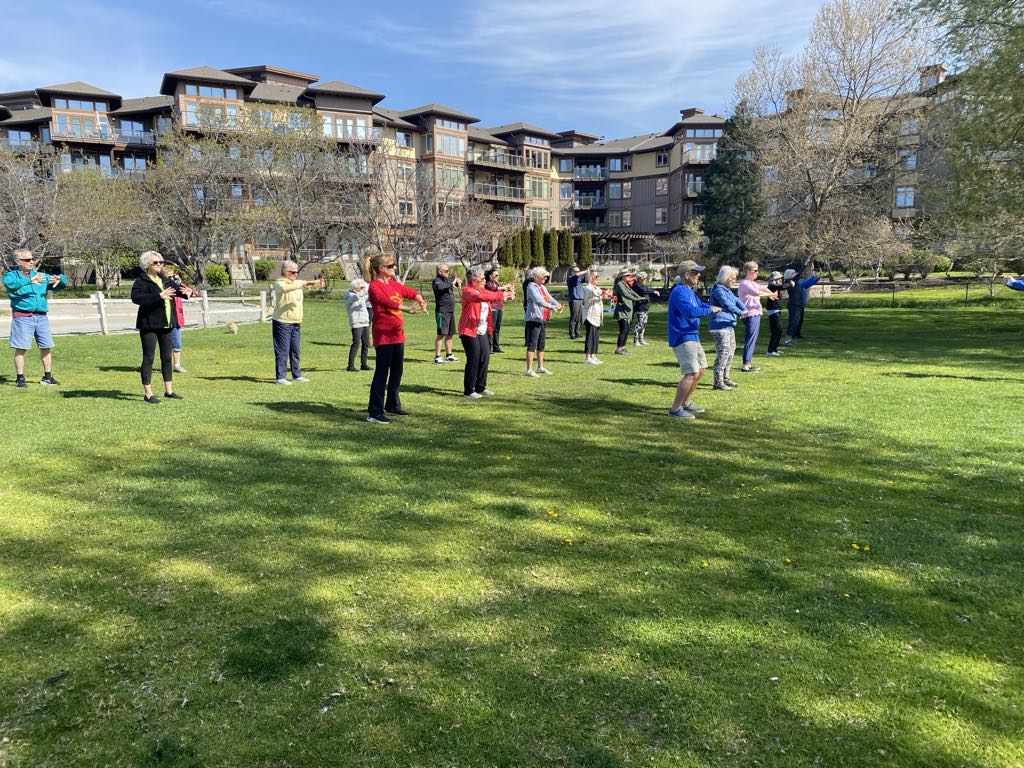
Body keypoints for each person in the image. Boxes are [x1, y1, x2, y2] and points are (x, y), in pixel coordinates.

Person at [366, 252, 427, 424]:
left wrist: (418, 297)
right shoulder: (374, 286)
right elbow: (385, 302)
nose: (394, 268)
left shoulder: (394, 284)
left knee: (397, 371)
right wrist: (406, 309)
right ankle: (374, 412)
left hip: (397, 335)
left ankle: (392, 405)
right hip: (384, 335)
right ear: (380, 269)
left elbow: (408, 291)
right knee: (381, 373)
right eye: (391, 266)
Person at [4, 248, 66, 388]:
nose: (31, 262)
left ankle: (47, 377)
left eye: (32, 259)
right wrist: (30, 281)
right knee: (21, 348)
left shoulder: (40, 275)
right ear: (18, 261)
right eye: (27, 260)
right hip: (22, 317)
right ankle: (20, 378)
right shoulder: (11, 276)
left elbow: (62, 282)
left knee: (46, 346)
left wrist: (60, 279)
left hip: (41, 317)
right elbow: (11, 286)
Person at [667, 260, 721, 420]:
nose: (699, 275)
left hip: (692, 334)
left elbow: (700, 305)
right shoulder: (679, 292)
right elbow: (690, 311)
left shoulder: (688, 291)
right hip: (682, 336)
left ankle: (686, 403)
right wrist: (710, 310)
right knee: (691, 372)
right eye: (695, 272)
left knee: (702, 369)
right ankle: (675, 409)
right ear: (686, 274)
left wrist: (712, 307)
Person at [131, 251, 183, 404]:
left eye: (160, 262)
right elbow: (136, 298)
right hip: (149, 325)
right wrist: (159, 296)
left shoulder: (165, 279)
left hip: (166, 324)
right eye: (155, 262)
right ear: (147, 264)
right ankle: (148, 393)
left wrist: (188, 293)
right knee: (149, 358)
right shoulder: (141, 281)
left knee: (166, 358)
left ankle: (169, 391)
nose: (159, 264)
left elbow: (177, 291)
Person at [457, 266, 515, 399]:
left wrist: (505, 294)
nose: (484, 280)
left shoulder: (482, 290)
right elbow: (480, 297)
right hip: (469, 330)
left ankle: (480, 387)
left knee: (485, 357)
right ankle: (469, 391)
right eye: (482, 278)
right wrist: (501, 295)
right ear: (473, 279)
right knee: (474, 359)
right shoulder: (467, 291)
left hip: (482, 330)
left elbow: (489, 294)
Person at [271, 260, 322, 384]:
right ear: (285, 272)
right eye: (293, 272)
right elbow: (285, 289)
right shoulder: (279, 283)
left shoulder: (297, 282)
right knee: (282, 351)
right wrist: (301, 284)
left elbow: (310, 284)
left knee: (295, 350)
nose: (295, 274)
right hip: (282, 322)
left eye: (297, 272)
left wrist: (319, 283)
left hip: (296, 322)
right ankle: (280, 377)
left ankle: (296, 375)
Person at [708, 266, 749, 391]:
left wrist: (745, 309)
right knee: (723, 353)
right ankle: (718, 382)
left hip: (729, 325)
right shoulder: (718, 290)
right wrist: (740, 313)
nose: (734, 280)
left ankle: (726, 378)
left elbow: (736, 300)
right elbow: (727, 304)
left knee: (731, 351)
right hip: (719, 326)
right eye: (732, 278)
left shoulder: (727, 290)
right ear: (726, 278)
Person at [737, 261, 778, 372]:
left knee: (752, 339)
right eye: (755, 270)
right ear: (748, 271)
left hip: (755, 313)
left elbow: (762, 288)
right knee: (750, 339)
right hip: (750, 314)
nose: (757, 272)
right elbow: (756, 293)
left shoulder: (752, 283)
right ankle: (745, 364)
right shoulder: (745, 284)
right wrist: (770, 295)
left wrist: (771, 294)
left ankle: (748, 363)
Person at [524, 266, 562, 377]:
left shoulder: (542, 287)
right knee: (532, 344)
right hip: (534, 318)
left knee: (541, 344)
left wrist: (557, 304)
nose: (545, 279)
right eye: (544, 277)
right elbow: (538, 300)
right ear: (537, 277)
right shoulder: (531, 286)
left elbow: (549, 297)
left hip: (542, 318)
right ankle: (529, 370)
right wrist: (552, 307)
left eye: (546, 277)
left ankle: (540, 367)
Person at [161, 265, 194, 374]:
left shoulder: (178, 285)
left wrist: (190, 291)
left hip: (176, 318)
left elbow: (189, 293)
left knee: (177, 343)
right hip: (165, 319)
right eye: (169, 277)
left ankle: (177, 365)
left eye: (174, 277)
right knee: (164, 344)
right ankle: (164, 365)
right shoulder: (163, 286)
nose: (172, 279)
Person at [432, 263, 461, 364]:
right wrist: (452, 282)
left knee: (450, 333)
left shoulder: (448, 279)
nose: (448, 273)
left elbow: (455, 280)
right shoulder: (437, 281)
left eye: (448, 271)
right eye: (446, 271)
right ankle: (437, 357)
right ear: (440, 272)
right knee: (441, 334)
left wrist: (457, 280)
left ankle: (449, 355)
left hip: (450, 311)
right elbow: (440, 288)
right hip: (442, 311)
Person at [612, 269, 644, 354]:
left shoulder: (625, 284)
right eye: (627, 275)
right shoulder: (620, 284)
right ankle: (619, 348)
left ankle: (623, 347)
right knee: (623, 330)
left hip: (628, 310)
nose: (629, 277)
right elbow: (626, 295)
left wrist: (640, 297)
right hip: (622, 311)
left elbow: (632, 292)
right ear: (622, 276)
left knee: (626, 330)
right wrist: (637, 299)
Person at [344, 278, 372, 372]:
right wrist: (367, 290)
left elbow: (365, 297)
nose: (363, 287)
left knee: (365, 344)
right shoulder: (349, 295)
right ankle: (350, 366)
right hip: (356, 322)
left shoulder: (361, 294)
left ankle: (363, 364)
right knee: (356, 343)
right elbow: (356, 298)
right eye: (361, 286)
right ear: (355, 287)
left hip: (364, 321)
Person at [581, 269, 605, 364]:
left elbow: (600, 293)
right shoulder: (588, 288)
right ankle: (587, 357)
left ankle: (593, 355)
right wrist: (604, 293)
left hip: (596, 315)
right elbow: (596, 293)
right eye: (595, 276)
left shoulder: (595, 288)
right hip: (589, 315)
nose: (597, 278)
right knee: (590, 336)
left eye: (597, 276)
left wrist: (605, 293)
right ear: (590, 278)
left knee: (595, 336)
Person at [632, 271, 660, 345]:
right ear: (641, 278)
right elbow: (644, 291)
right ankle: (635, 341)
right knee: (639, 324)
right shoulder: (637, 286)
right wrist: (654, 291)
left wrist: (653, 292)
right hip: (640, 308)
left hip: (645, 308)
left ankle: (641, 340)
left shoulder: (644, 285)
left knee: (644, 324)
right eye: (645, 278)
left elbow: (647, 290)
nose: (646, 279)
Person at [765, 271, 788, 357]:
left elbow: (781, 286)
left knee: (779, 330)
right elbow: (781, 286)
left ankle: (774, 349)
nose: (781, 280)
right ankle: (770, 350)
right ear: (775, 279)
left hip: (777, 310)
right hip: (773, 311)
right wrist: (789, 284)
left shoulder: (775, 286)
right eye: (779, 278)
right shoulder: (771, 286)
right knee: (776, 330)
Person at [484, 266, 505, 352]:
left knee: (497, 328)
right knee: (491, 328)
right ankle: (489, 347)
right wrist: (503, 288)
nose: (497, 277)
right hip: (492, 308)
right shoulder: (488, 284)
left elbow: (499, 292)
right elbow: (493, 289)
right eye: (495, 275)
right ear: (490, 276)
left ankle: (496, 347)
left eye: (498, 275)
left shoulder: (497, 284)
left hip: (499, 307)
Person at [793, 271, 821, 338]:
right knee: (796, 320)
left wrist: (818, 278)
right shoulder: (798, 283)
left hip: (801, 304)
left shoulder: (800, 282)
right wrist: (813, 277)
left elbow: (809, 284)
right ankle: (793, 333)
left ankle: (797, 333)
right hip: (797, 304)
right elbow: (807, 283)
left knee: (800, 320)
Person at [566, 264, 586, 340]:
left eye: (578, 271)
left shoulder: (579, 279)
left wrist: (589, 272)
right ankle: (572, 333)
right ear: (572, 272)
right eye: (575, 271)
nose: (577, 272)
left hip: (580, 300)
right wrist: (585, 270)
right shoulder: (570, 278)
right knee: (574, 317)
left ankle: (577, 332)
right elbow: (577, 275)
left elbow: (588, 279)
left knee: (579, 318)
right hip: (574, 300)